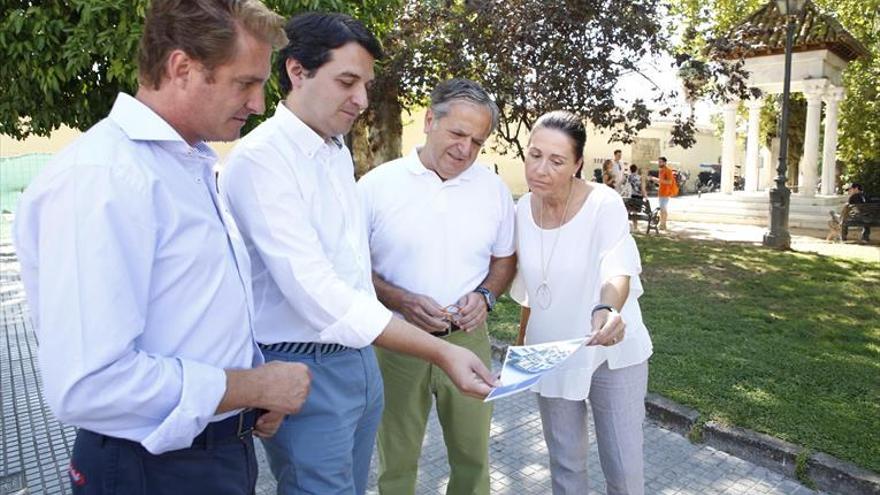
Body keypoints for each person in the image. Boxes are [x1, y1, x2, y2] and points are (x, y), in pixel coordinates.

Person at [13, 2, 313, 494]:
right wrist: (252, 386)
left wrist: (253, 394)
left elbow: (191, 317)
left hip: (210, 452)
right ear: (181, 68)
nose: (259, 103)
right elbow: (90, 384)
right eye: (245, 82)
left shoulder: (184, 163)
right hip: (150, 468)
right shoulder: (105, 178)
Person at [219, 14, 497, 495]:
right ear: (297, 71)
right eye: (347, 81)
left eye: (366, 85)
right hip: (303, 362)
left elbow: (350, 264)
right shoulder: (261, 159)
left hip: (360, 358)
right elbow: (315, 292)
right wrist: (438, 348)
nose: (362, 100)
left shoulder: (334, 149)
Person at [359, 79, 517, 495]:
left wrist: (486, 295)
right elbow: (351, 270)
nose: (466, 149)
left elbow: (505, 260)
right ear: (430, 121)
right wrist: (401, 299)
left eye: (478, 142)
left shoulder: (494, 191)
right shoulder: (376, 187)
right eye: (458, 134)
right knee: (396, 460)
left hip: (468, 342)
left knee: (472, 458)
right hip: (395, 345)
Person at [510, 110, 653, 495]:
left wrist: (607, 311)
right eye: (534, 155)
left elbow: (616, 267)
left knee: (624, 471)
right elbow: (531, 288)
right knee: (566, 469)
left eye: (556, 160)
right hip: (552, 351)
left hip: (611, 351)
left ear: (577, 164)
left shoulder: (603, 203)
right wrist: (523, 342)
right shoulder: (521, 210)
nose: (541, 169)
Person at [625, 164, 648, 230]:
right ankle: (635, 227)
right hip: (638, 197)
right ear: (636, 169)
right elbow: (643, 189)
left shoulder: (629, 177)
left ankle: (629, 227)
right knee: (635, 213)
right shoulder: (640, 178)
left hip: (631, 196)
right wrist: (646, 197)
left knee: (630, 211)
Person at [657, 156, 676, 230]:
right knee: (662, 209)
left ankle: (663, 225)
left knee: (663, 209)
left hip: (665, 193)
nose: (659, 163)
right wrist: (655, 180)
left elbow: (669, 182)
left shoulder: (668, 171)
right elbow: (661, 182)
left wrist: (658, 180)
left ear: (664, 162)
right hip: (661, 192)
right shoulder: (661, 170)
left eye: (660, 162)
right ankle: (662, 224)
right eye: (658, 162)